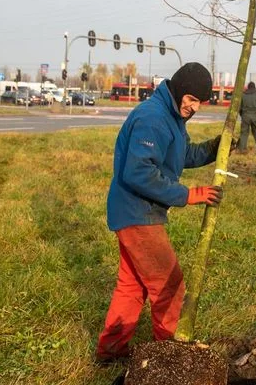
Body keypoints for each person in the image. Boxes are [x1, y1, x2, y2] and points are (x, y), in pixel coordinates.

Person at [96, 62, 224, 364]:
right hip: (137, 213)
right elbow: (139, 172)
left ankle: (110, 354)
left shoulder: (170, 116)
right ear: (179, 89)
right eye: (191, 99)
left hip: (135, 212)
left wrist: (217, 147)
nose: (194, 108)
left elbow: (182, 155)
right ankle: (169, 358)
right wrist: (189, 195)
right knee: (170, 286)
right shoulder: (153, 118)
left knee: (132, 286)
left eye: (200, 103)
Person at [238, 81, 256, 154]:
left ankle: (242, 149)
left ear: (248, 87)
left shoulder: (243, 96)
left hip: (245, 116)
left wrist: (242, 114)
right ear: (254, 87)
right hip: (255, 116)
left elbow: (239, 108)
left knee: (244, 133)